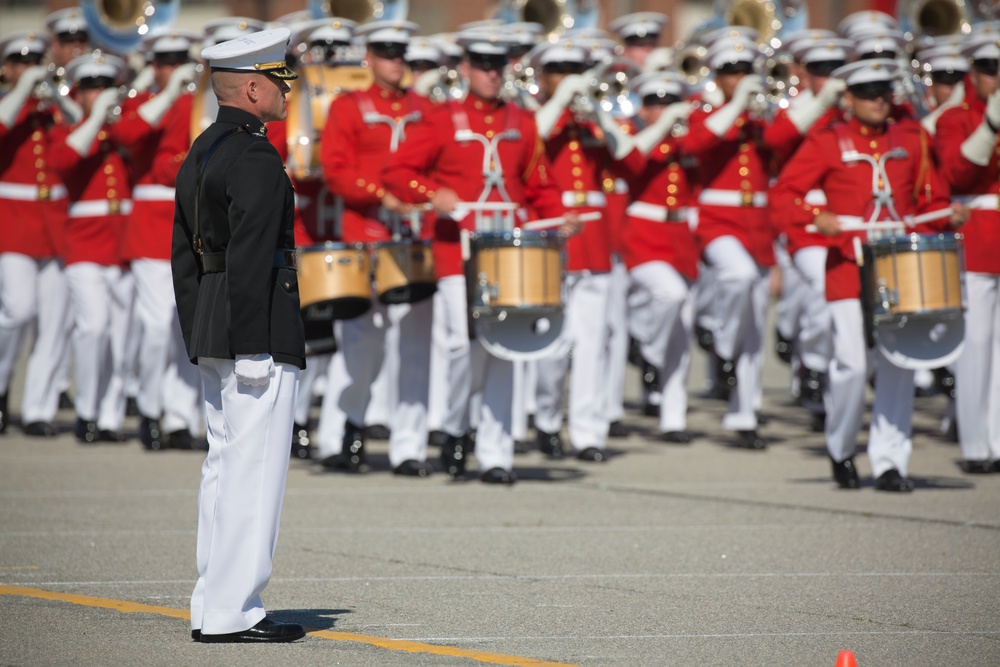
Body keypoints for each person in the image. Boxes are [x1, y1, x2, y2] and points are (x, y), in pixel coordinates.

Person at [382, 27, 576, 484]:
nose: (492, 73)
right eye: (483, 65)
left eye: (499, 65)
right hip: (456, 250)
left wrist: (558, 216)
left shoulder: (522, 120)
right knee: (460, 344)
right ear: (466, 69)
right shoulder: (441, 117)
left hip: (507, 252)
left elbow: (539, 184)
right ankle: (453, 427)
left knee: (504, 349)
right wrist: (434, 194)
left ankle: (495, 454)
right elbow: (396, 171)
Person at [770, 59, 966, 492]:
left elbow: (931, 197)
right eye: (868, 93)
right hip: (846, 265)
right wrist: (816, 216)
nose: (879, 100)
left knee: (899, 365)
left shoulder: (911, 138)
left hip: (899, 264)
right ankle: (841, 447)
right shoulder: (827, 141)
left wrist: (946, 214)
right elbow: (784, 194)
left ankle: (890, 461)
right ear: (849, 98)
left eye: (884, 92)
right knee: (852, 367)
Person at [171, 27, 306, 642]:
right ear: (253, 87)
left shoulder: (202, 148)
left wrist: (198, 334)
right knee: (251, 471)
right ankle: (234, 610)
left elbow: (184, 256)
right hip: (254, 325)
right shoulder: (253, 154)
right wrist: (253, 344)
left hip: (215, 320)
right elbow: (253, 255)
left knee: (224, 467)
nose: (287, 93)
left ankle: (212, 601)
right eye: (281, 82)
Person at [315, 19, 437, 476]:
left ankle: (410, 447)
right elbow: (336, 169)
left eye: (401, 54)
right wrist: (381, 193)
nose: (396, 62)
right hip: (366, 234)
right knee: (360, 344)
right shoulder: (349, 106)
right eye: (387, 53)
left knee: (414, 344)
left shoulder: (425, 108)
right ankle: (342, 434)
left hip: (414, 239)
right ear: (369, 57)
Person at [684, 29, 774, 449]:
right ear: (715, 75)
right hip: (717, 218)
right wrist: (738, 105)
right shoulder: (701, 108)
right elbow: (696, 142)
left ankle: (745, 414)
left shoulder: (763, 111)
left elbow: (785, 141)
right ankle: (720, 344)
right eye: (730, 70)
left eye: (745, 69)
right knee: (736, 277)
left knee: (755, 322)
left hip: (758, 219)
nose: (739, 77)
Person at [0, 29, 74, 436]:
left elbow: (89, 130)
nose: (31, 70)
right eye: (22, 63)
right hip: (13, 219)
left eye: (35, 63)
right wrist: (22, 88)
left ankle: (38, 410)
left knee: (54, 319)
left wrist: (58, 96)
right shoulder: (8, 105)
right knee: (17, 310)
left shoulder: (53, 107)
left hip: (54, 220)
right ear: (8, 68)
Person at [934, 34, 1000, 473]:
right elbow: (957, 169)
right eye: (990, 69)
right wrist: (991, 124)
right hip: (976, 236)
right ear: (973, 74)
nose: (996, 78)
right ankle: (976, 444)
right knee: (975, 344)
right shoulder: (954, 117)